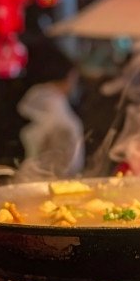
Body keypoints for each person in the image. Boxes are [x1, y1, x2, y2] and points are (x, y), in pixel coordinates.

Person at [16, 39, 85, 179]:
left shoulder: (30, 98)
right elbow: (66, 147)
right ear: (69, 76)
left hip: (24, 178)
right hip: (47, 183)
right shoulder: (54, 105)